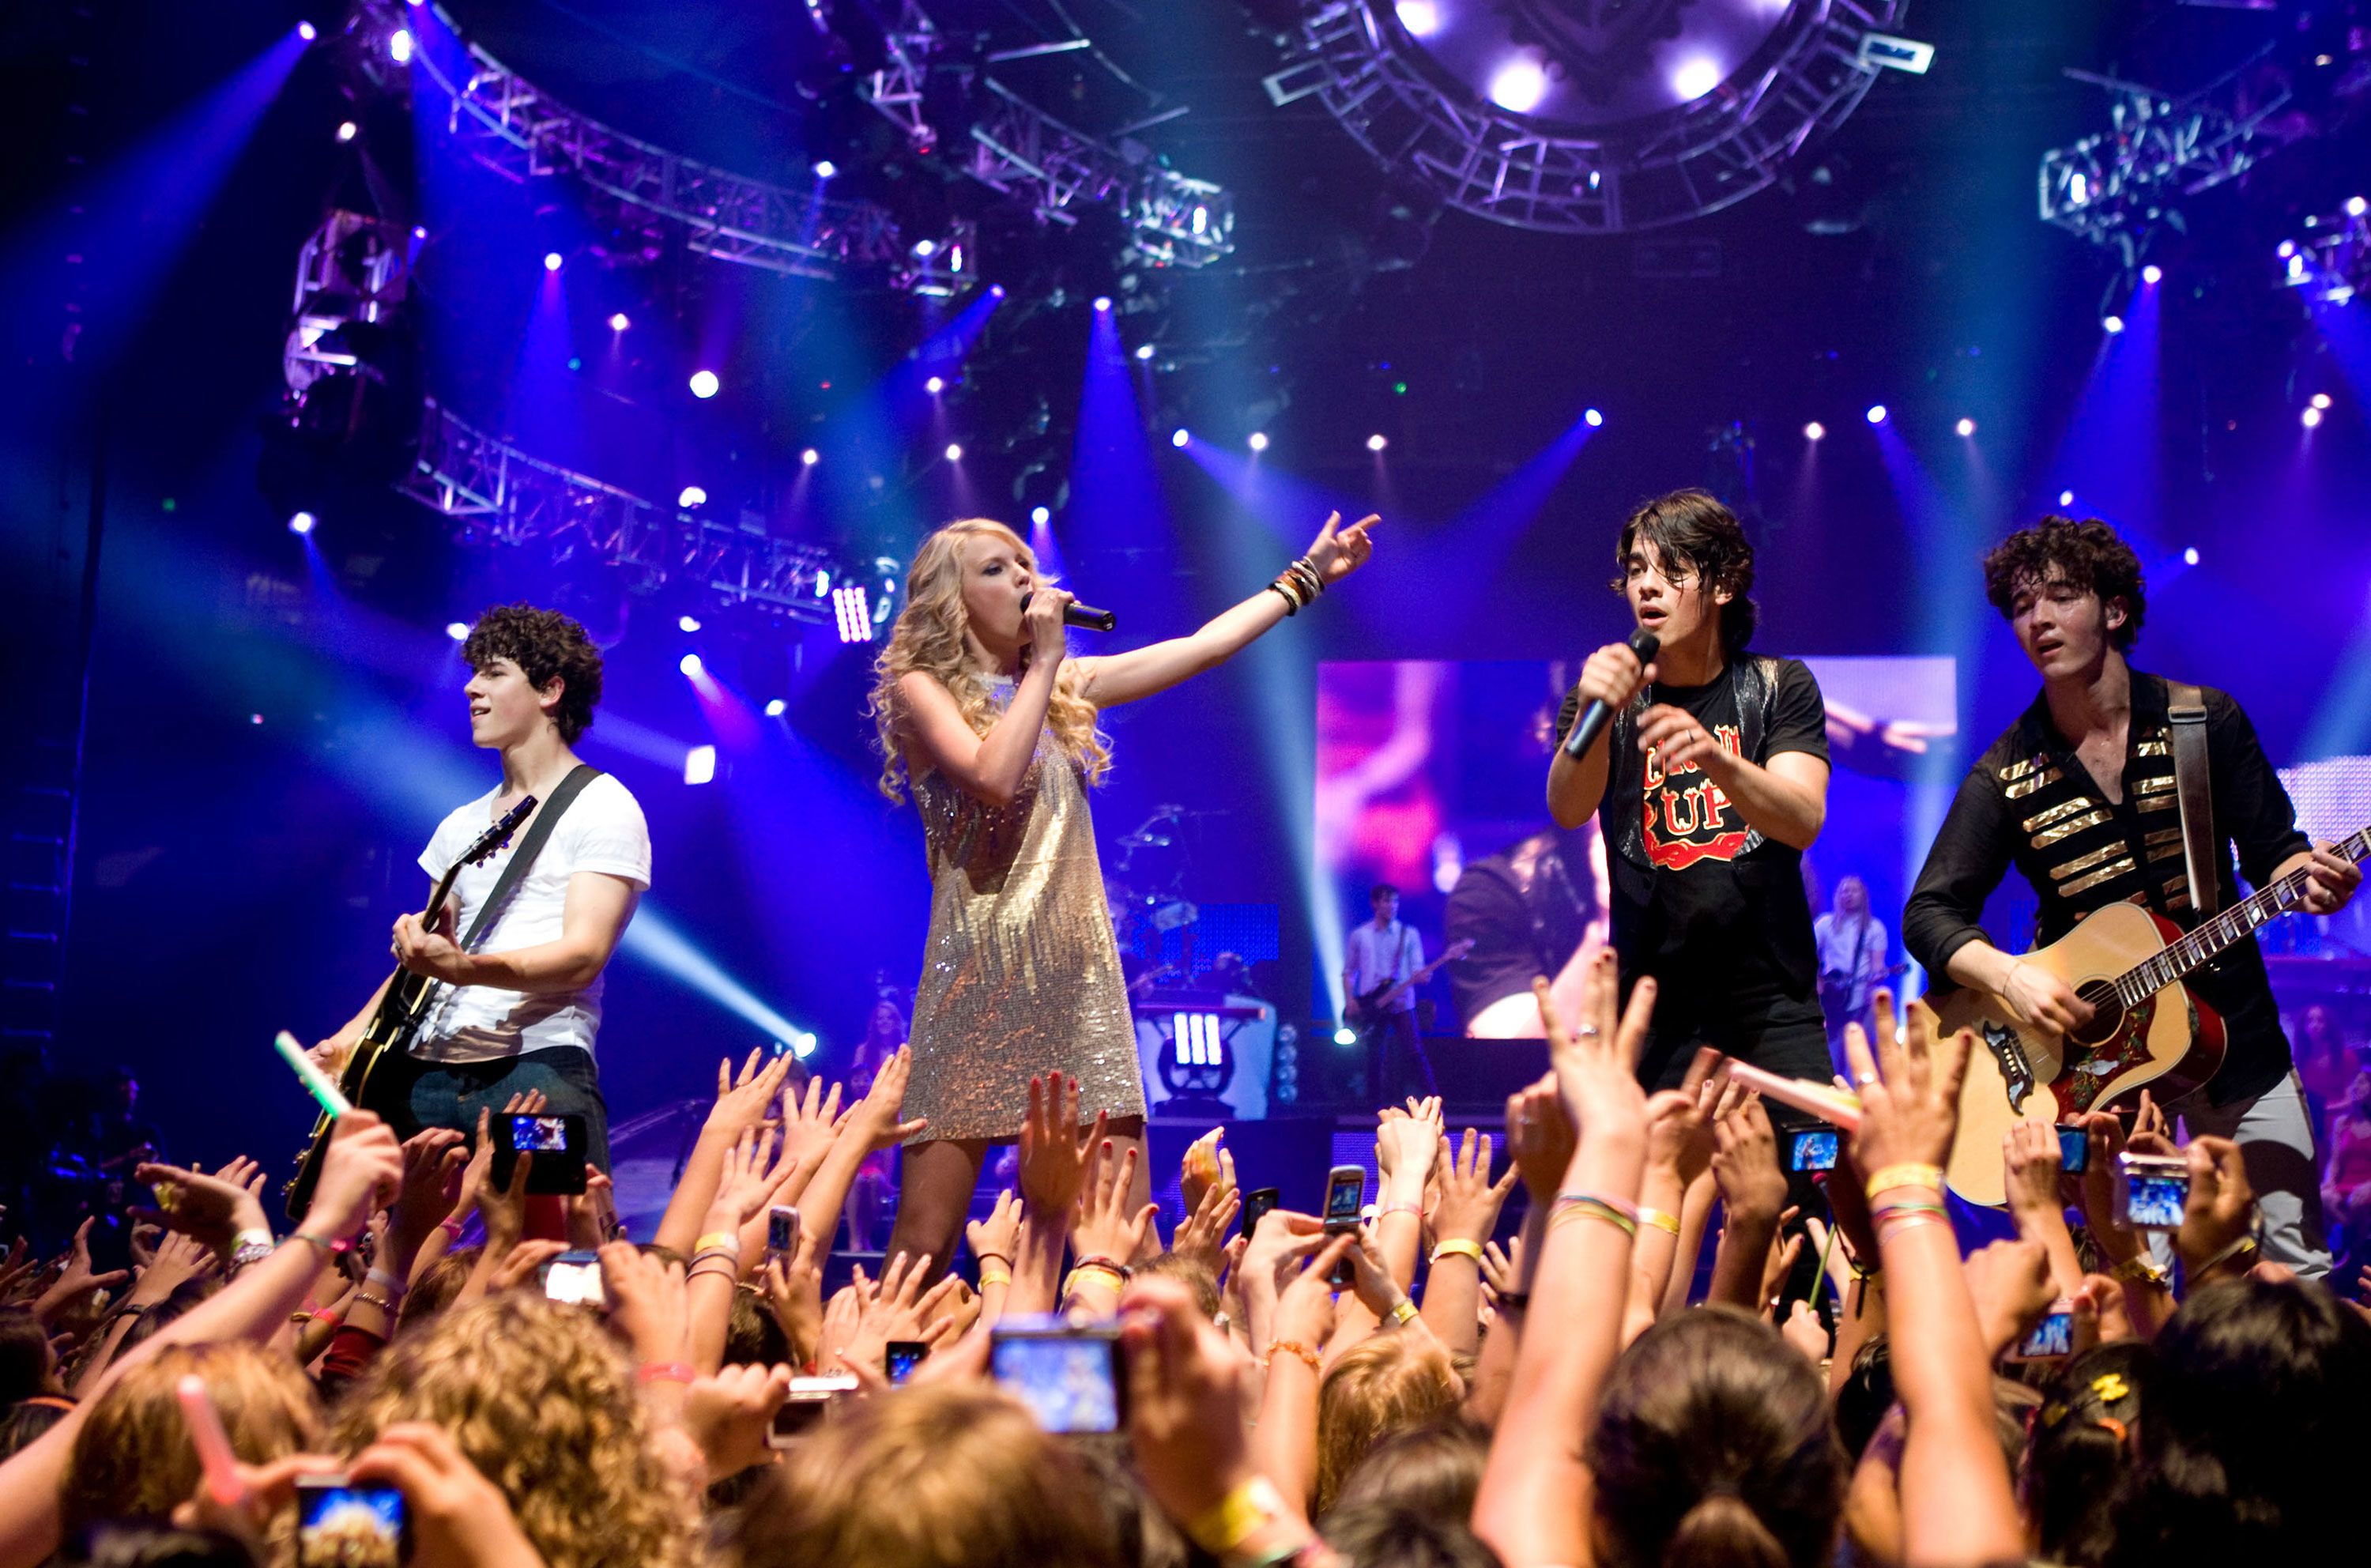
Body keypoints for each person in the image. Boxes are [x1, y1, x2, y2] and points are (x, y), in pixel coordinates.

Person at [868, 511, 1377, 1276]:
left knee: (1124, 1233)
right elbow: (993, 777)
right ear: (952, 598)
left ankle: (1127, 1382)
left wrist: (1304, 578)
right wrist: (1041, 667)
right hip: (977, 980)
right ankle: (885, 1379)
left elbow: (1201, 648)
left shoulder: (1064, 686)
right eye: (997, 569)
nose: (1025, 578)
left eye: (1023, 563)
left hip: (1078, 984)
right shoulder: (922, 689)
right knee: (925, 1239)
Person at [1902, 516, 2362, 1275]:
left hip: (2237, 1046)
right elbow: (1930, 913)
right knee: (2140, 1276)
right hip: (2105, 1083)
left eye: (2060, 596)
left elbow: (2276, 853)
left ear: (2115, 611)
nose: (2039, 619)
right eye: (2021, 606)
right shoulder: (2005, 773)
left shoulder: (2204, 721)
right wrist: (2012, 976)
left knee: (2289, 1270)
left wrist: (2302, 882)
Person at [311, 604, 650, 1172]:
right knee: (396, 1250)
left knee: (547, 1244)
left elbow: (583, 958)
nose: (470, 687)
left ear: (550, 690)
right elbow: (424, 963)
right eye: (473, 673)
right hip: (424, 1079)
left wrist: (463, 968)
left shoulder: (604, 805)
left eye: (493, 673)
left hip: (537, 1075)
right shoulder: (459, 825)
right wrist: (354, 1033)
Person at [1543, 489, 1834, 1091]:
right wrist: (1596, 711)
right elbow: (1567, 807)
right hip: (1652, 1009)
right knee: (1652, 1186)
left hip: (1772, 1007)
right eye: (1635, 571)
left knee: (1795, 1181)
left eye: (1672, 571)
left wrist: (1716, 760)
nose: (1647, 586)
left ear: (1723, 585)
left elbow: (1802, 818)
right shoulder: (1600, 699)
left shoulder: (1780, 685)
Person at [1341, 885, 1429, 1098]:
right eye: (1387, 901)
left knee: (1414, 1052)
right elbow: (1348, 972)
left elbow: (1418, 967)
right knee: (1374, 1055)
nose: (1392, 906)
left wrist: (1423, 975)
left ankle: (1433, 1098)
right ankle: (1373, 1109)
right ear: (1375, 904)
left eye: (1395, 901)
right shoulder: (1360, 935)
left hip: (1402, 1003)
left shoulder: (1408, 934)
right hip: (1372, 1004)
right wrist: (1350, 1000)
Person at [1812, 875, 1889, 1069]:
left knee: (1855, 1055)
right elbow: (1807, 954)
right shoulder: (1825, 923)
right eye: (1844, 890)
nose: (1848, 895)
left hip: (1857, 1001)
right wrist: (1818, 980)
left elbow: (1877, 965)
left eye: (1854, 890)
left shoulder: (1874, 928)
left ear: (1863, 895)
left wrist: (1876, 979)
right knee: (1829, 1055)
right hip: (1829, 999)